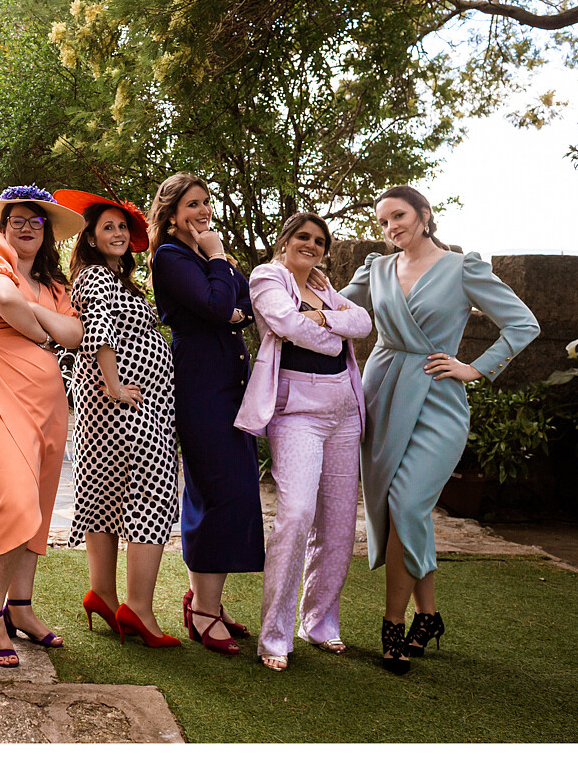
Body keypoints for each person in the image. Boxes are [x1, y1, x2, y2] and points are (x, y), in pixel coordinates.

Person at [339, 185, 539, 673]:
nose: (391, 228)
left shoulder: (462, 268)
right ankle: (427, 617)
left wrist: (475, 368)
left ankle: (392, 626)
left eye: (399, 216)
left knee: (408, 503)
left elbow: (523, 324)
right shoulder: (377, 269)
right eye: (383, 222)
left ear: (425, 215)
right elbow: (331, 307)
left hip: (436, 400)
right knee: (407, 511)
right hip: (382, 393)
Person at [233, 213, 372, 671]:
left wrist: (323, 316)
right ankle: (274, 634)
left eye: (318, 240)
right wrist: (332, 332)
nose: (310, 245)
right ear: (285, 240)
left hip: (345, 412)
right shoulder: (267, 276)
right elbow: (286, 324)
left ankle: (320, 621)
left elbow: (364, 324)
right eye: (302, 237)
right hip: (296, 412)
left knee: (337, 523)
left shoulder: (325, 286)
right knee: (295, 515)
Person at [0, 185, 85, 669]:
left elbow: (75, 335)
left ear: (48, 231)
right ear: (3, 225)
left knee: (39, 509)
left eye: (37, 220)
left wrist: (35, 309)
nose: (27, 226)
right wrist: (42, 325)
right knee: (17, 503)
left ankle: (21, 607)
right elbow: (2, 300)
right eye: (18, 218)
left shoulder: (57, 285)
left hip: (49, 407)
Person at [55, 189, 180, 648]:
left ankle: (104, 596)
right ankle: (139, 609)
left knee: (107, 495)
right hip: (125, 405)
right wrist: (113, 384)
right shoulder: (96, 278)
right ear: (88, 236)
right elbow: (100, 331)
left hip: (122, 405)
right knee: (152, 494)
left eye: (123, 227)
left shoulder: (116, 280)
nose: (118, 233)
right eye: (107, 226)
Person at [147, 172, 261, 656]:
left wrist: (224, 286)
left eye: (207, 202)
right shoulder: (171, 257)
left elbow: (247, 305)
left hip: (231, 388)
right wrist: (219, 263)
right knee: (217, 492)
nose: (203, 211)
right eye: (193, 204)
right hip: (200, 385)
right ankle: (203, 611)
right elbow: (219, 305)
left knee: (233, 491)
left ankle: (207, 599)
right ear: (172, 213)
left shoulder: (202, 257)